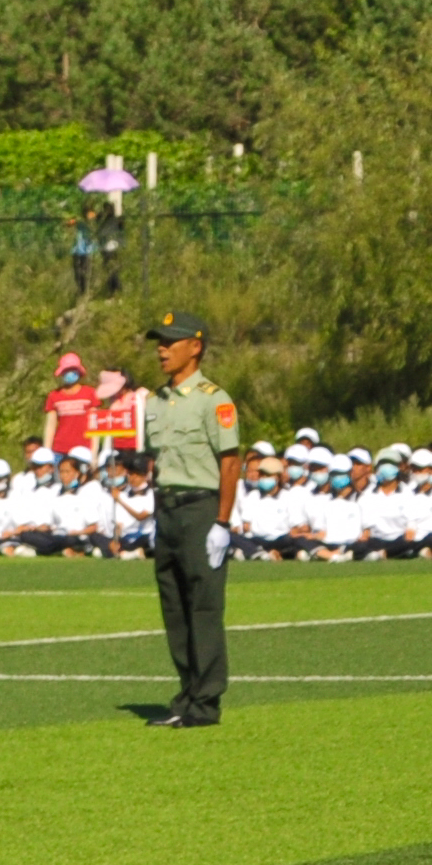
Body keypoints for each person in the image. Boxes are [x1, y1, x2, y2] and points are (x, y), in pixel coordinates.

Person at [133, 311, 244, 728]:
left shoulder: (214, 399)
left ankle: (206, 702)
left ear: (195, 347)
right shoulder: (154, 401)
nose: (161, 350)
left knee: (203, 606)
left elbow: (230, 462)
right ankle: (186, 694)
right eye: (159, 342)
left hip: (201, 509)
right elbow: (158, 461)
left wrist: (222, 522)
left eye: (170, 342)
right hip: (167, 510)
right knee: (174, 606)